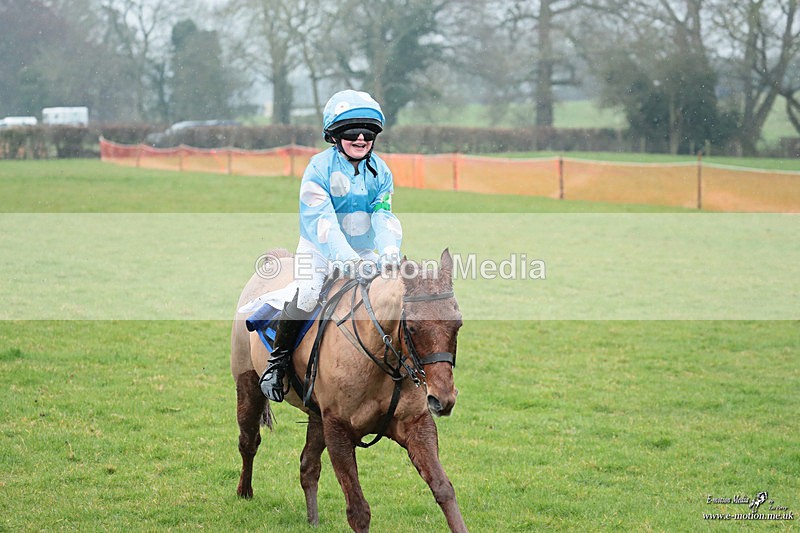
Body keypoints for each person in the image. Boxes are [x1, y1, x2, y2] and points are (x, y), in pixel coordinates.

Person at [259, 89, 403, 402]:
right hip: (319, 250)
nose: (362, 138)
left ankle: (398, 370)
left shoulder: (381, 172)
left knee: (390, 295)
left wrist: (390, 252)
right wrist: (350, 262)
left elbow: (383, 216)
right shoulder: (317, 169)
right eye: (352, 132)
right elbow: (324, 225)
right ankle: (277, 364)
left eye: (369, 132)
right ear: (335, 136)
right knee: (309, 292)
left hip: (363, 252)